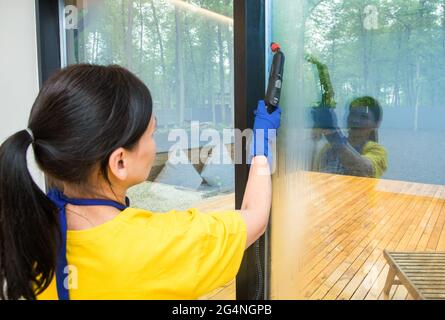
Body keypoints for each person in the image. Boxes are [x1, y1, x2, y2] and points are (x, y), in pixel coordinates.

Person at [0, 64, 281, 300]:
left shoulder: (26, 232)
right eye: (151, 133)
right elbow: (255, 217)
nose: (154, 144)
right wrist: (261, 145)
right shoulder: (159, 244)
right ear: (119, 162)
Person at [307, 55, 387, 178]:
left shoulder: (377, 152)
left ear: (376, 124)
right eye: (353, 114)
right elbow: (314, 175)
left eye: (363, 117)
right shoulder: (327, 149)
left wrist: (332, 134)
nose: (356, 120)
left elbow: (364, 171)